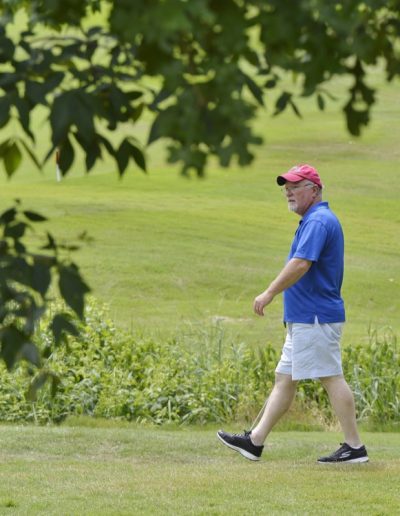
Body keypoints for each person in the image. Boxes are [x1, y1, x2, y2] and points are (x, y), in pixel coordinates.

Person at [217, 164, 368, 464]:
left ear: (314, 190)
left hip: (315, 316)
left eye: (295, 186)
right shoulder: (314, 220)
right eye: (286, 187)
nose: (288, 192)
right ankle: (255, 441)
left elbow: (301, 263)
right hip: (306, 317)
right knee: (284, 379)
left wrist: (269, 292)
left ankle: (354, 447)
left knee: (330, 377)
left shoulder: (318, 221)